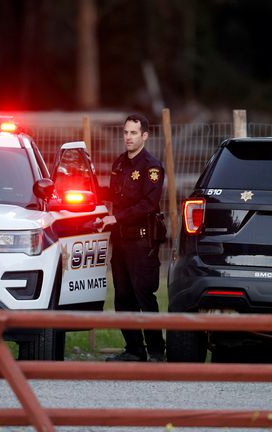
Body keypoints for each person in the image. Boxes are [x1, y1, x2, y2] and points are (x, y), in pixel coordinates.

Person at [101, 113, 166, 362]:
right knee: (123, 296)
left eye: (133, 133)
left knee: (144, 296)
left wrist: (117, 218)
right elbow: (114, 195)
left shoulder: (151, 167)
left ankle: (157, 351)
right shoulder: (120, 163)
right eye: (126, 132)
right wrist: (87, 188)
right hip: (120, 241)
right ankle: (134, 350)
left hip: (141, 241)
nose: (128, 137)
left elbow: (149, 204)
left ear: (144, 136)